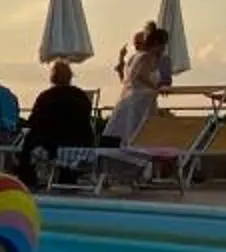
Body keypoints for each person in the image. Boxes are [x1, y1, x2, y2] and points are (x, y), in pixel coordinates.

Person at [18, 60, 95, 189]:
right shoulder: (81, 96)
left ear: (53, 77)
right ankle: (67, 177)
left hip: (54, 145)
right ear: (70, 76)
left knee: (29, 140)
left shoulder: (46, 97)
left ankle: (27, 179)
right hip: (81, 144)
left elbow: (34, 121)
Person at [109, 23, 165, 148]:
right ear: (156, 44)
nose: (164, 48)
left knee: (135, 135)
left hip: (141, 100)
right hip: (140, 102)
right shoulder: (146, 57)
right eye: (162, 45)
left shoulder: (139, 57)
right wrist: (156, 88)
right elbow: (140, 75)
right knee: (138, 135)